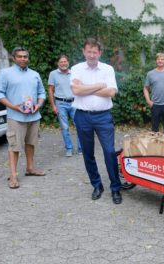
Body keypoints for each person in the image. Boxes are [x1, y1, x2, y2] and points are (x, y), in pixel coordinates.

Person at [70, 38, 122, 204]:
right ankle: (97, 185)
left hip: (103, 116)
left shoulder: (107, 69)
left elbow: (111, 92)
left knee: (109, 152)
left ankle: (115, 188)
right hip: (82, 115)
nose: (92, 55)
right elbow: (75, 90)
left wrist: (85, 88)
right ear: (84, 52)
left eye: (95, 52)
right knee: (87, 153)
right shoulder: (76, 68)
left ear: (100, 53)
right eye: (89, 51)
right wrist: (100, 85)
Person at [0, 47, 46, 189]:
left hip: (33, 116)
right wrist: (13, 106)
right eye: (20, 56)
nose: (23, 59)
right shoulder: (5, 73)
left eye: (25, 56)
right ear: (14, 58)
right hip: (15, 116)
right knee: (14, 146)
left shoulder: (34, 74)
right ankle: (13, 175)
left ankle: (30, 169)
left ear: (28, 58)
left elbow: (42, 93)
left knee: (30, 143)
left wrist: (38, 105)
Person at [48, 55, 82, 157]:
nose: (63, 63)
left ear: (68, 62)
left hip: (74, 102)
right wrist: (53, 106)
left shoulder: (74, 73)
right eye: (61, 62)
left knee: (79, 125)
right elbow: (50, 90)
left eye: (65, 61)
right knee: (65, 127)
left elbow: (79, 86)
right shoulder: (53, 74)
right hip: (60, 103)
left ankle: (81, 148)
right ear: (58, 63)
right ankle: (69, 149)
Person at [143, 53, 164, 138]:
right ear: (156, 61)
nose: (160, 61)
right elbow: (145, 88)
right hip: (155, 105)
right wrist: (148, 101)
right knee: (154, 129)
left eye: (162, 59)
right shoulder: (150, 74)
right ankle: (155, 147)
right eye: (158, 59)